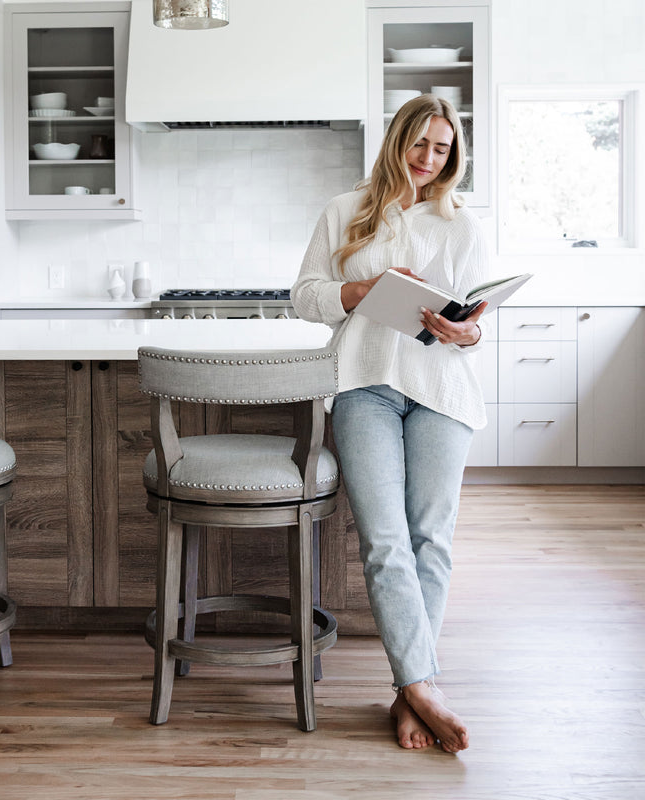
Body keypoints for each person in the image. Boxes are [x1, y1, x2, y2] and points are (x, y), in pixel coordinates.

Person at [291, 94, 489, 753]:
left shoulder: (462, 224)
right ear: (395, 140)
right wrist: (363, 292)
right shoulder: (344, 211)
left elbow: (477, 324)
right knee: (385, 540)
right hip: (364, 385)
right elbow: (305, 295)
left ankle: (412, 691)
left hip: (440, 389)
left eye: (442, 150)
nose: (428, 161)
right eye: (419, 145)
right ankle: (423, 687)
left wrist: (465, 331)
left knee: (431, 538)